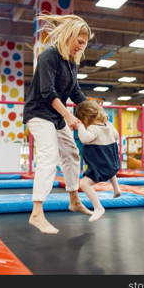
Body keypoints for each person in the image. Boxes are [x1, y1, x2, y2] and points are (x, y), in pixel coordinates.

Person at [23, 14, 94, 234]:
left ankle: (73, 200)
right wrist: (70, 116)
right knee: (49, 154)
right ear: (69, 36)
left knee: (72, 154)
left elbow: (75, 91)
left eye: (84, 43)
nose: (81, 47)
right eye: (79, 42)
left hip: (55, 116)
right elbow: (47, 92)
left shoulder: (72, 63)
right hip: (38, 112)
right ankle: (36, 214)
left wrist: (95, 112)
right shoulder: (49, 56)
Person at [75, 100, 121, 222]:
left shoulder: (93, 129)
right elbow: (116, 136)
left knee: (84, 184)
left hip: (100, 166)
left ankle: (98, 207)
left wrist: (79, 127)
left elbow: (85, 139)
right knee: (110, 170)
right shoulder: (108, 125)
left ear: (85, 118)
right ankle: (116, 189)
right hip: (113, 164)